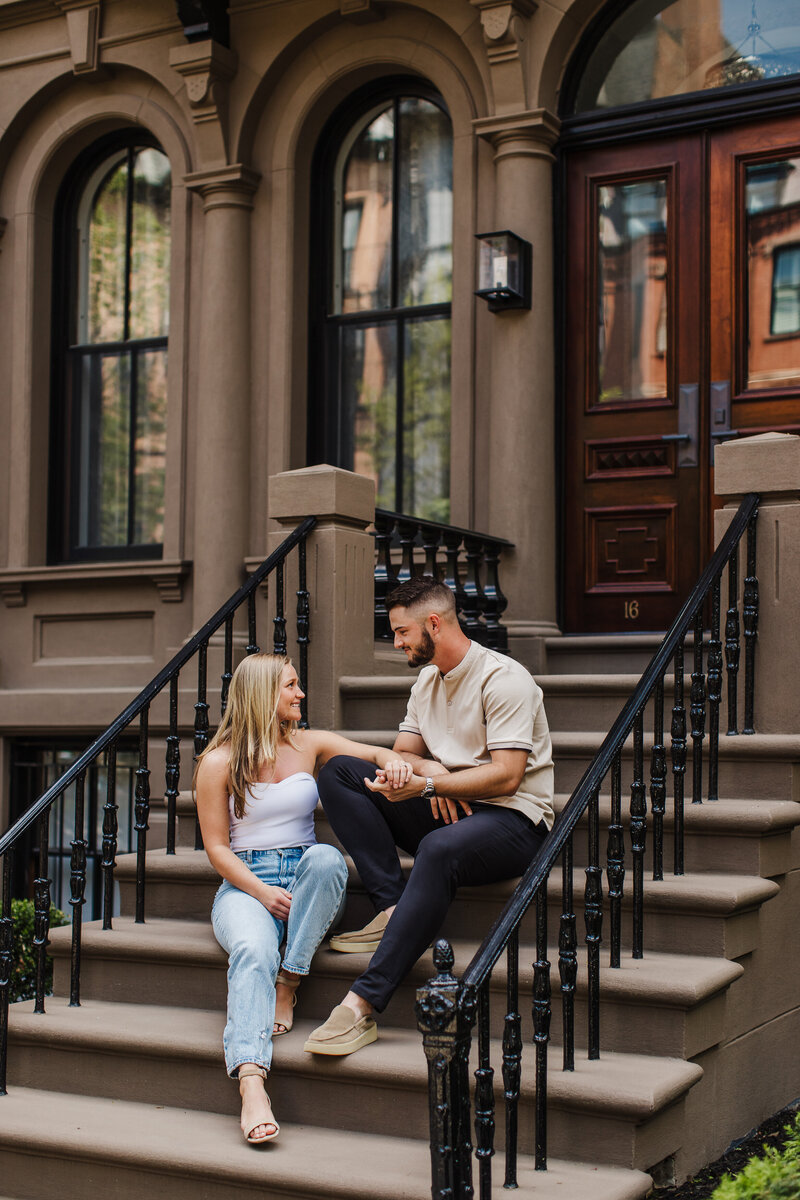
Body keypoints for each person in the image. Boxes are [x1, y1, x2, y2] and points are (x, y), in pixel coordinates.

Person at [303, 575, 554, 1058]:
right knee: (340, 772)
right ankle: (394, 908)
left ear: (433, 625)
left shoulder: (504, 679)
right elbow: (402, 753)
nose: (396, 643)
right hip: (447, 803)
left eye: (402, 633)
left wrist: (431, 783)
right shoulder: (427, 680)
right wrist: (429, 769)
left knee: (437, 849)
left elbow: (505, 777)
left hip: (512, 822)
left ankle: (362, 1004)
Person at [194, 651, 414, 1144]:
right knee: (251, 951)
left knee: (327, 859)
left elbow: (373, 755)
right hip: (245, 884)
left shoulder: (309, 743)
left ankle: (288, 981)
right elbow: (215, 848)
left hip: (308, 880)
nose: (299, 694)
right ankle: (252, 1082)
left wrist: (395, 759)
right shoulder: (218, 762)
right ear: (264, 695)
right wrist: (261, 891)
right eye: (290, 686)